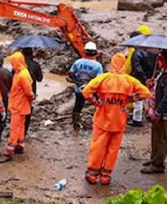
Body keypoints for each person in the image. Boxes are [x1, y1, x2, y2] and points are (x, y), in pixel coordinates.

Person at [82, 53, 151, 185]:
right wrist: (129, 99)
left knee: (98, 147)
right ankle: (105, 176)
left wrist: (96, 102)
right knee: (113, 149)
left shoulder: (104, 78)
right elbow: (146, 93)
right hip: (119, 120)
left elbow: (86, 91)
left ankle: (92, 174)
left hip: (102, 119)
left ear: (112, 64)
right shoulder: (129, 80)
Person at [0, 52, 34, 161]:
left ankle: (9, 150)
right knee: (20, 126)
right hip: (19, 104)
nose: (12, 64)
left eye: (13, 62)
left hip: (19, 105)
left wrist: (31, 96)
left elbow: (28, 92)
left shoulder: (22, 75)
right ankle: (19, 145)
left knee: (14, 128)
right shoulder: (20, 73)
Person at [69, 42, 104, 131]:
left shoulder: (78, 62)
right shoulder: (97, 66)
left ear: (85, 51)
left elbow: (71, 74)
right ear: (95, 52)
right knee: (98, 106)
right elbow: (99, 80)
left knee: (78, 106)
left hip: (79, 90)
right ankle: (98, 122)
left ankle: (76, 125)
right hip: (92, 91)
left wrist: (79, 82)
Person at [142, 50, 167, 174]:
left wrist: (158, 112)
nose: (158, 60)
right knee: (155, 136)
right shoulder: (162, 72)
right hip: (158, 110)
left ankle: (158, 165)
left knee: (162, 139)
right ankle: (154, 158)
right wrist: (152, 84)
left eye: (161, 58)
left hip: (163, 113)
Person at [126, 25, 155, 126]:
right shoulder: (152, 51)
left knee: (138, 100)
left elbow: (137, 68)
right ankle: (148, 114)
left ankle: (137, 120)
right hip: (150, 78)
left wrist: (142, 78)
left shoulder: (137, 53)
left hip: (139, 79)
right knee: (147, 97)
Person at [21, 48, 43, 135]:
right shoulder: (35, 65)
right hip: (31, 91)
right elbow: (40, 79)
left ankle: (19, 128)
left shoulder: (19, 65)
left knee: (19, 110)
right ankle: (25, 130)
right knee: (28, 110)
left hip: (19, 91)